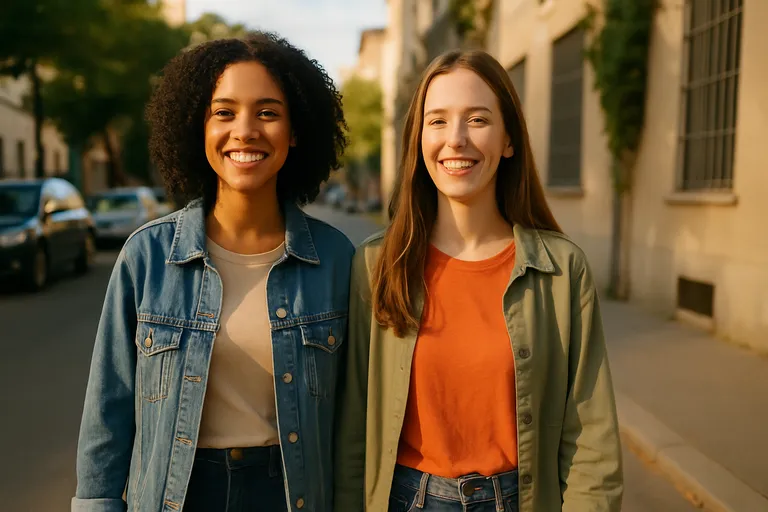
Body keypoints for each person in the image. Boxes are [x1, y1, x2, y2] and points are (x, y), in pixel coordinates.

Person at [72, 32, 353, 512]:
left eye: (268, 112)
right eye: (223, 113)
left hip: (290, 494)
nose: (244, 131)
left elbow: (354, 423)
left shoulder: (336, 259)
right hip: (177, 495)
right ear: (196, 128)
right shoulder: (147, 256)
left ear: (296, 130)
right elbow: (108, 412)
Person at [334, 50, 623, 512]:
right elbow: (353, 429)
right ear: (418, 139)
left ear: (509, 139)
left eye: (478, 120)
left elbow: (592, 439)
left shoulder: (562, 271)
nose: (457, 140)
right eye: (438, 121)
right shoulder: (378, 264)